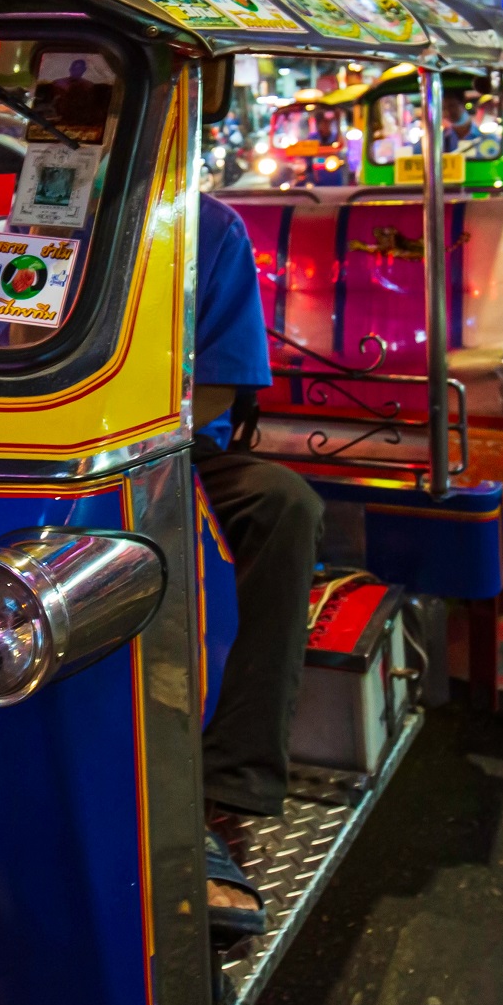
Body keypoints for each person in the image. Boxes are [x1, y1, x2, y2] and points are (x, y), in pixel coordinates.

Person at [189, 193, 321, 944]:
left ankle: (224, 788)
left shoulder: (208, 227)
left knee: (283, 505)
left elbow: (216, 387)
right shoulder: (35, 198)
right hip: (25, 447)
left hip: (162, 450)